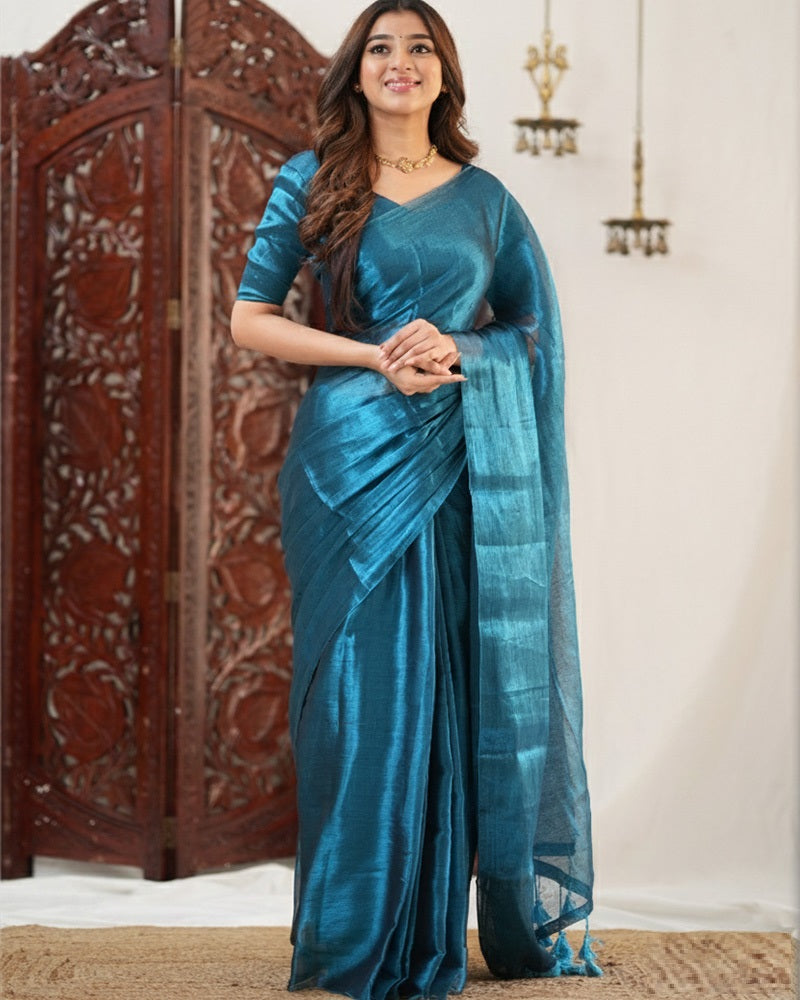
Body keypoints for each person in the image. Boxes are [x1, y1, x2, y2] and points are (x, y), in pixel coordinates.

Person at [231, 2, 600, 996]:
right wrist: (375, 356)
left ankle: (431, 927)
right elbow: (249, 318)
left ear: (445, 73)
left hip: (457, 463)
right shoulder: (313, 180)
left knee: (444, 685)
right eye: (381, 49)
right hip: (348, 464)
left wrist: (461, 346)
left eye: (420, 48)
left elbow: (532, 333)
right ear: (356, 73)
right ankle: (354, 936)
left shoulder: (486, 202)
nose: (401, 63)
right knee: (359, 697)